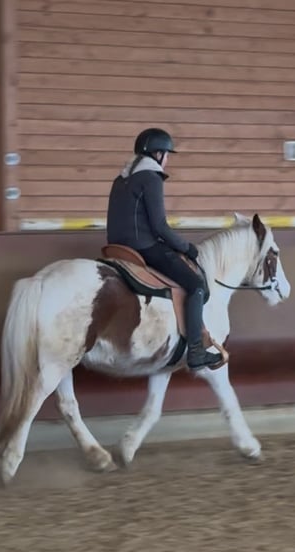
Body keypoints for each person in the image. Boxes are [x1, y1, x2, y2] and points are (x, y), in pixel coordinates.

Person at [106, 127, 222, 371]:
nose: (167, 159)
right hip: (143, 247)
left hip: (116, 246)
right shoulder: (150, 177)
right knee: (195, 284)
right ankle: (196, 351)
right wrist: (186, 247)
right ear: (157, 154)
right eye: (166, 154)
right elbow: (160, 227)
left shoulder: (121, 178)